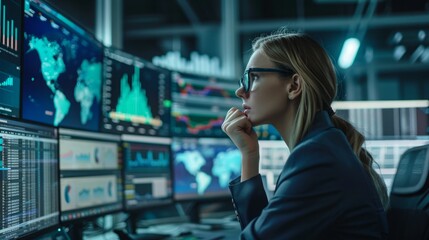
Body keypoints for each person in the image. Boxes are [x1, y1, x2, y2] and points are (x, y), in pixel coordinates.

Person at [221, 31, 389, 239]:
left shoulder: (318, 158)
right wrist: (249, 155)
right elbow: (260, 230)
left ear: (294, 86)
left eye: (252, 77)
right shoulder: (322, 146)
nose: (240, 91)